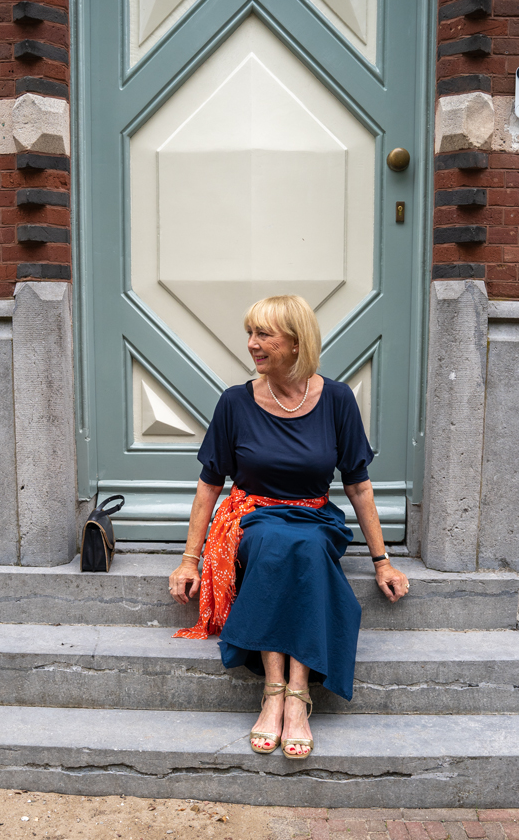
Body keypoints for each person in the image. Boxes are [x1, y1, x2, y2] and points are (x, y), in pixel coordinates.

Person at [168, 295, 409, 760]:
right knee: (278, 544)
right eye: (251, 333)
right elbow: (208, 487)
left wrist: (382, 562)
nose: (252, 345)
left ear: (297, 344)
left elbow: (358, 486)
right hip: (253, 516)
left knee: (303, 544)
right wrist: (188, 560)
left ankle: (293, 694)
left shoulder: (337, 399)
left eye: (264, 335)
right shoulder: (235, 402)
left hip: (314, 515)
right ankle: (278, 689)